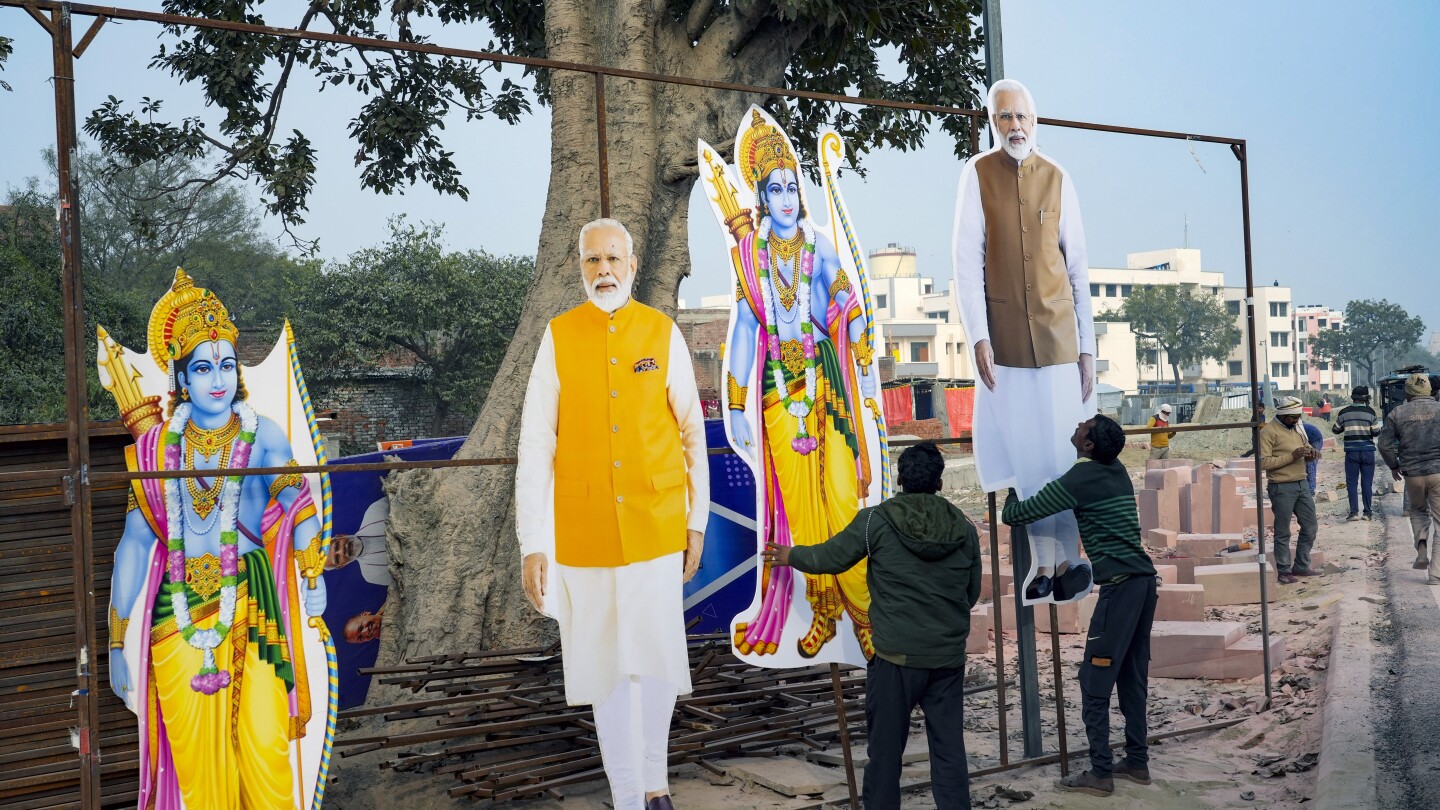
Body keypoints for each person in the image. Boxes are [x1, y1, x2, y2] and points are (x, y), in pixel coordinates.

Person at [103, 269, 330, 808]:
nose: (217, 379)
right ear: (180, 376)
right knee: (199, 781)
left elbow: (300, 506)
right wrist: (115, 639)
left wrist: (311, 568)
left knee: (266, 753)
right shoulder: (155, 451)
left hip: (254, 609)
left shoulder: (264, 434)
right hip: (175, 624)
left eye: (226, 364)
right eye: (203, 367)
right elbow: (135, 545)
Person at [515, 218, 710, 810]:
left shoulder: (661, 332)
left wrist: (695, 521)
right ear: (580, 268)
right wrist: (533, 542)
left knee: (655, 660)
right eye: (592, 261)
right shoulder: (558, 337)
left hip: (656, 527)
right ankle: (628, 796)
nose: (603, 270)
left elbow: (693, 434)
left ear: (630, 264)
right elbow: (534, 444)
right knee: (604, 669)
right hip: (583, 532)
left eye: (613, 259)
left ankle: (656, 784)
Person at [717, 108, 879, 659]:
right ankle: (824, 611)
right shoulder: (749, 259)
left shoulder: (819, 245)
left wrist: (856, 332)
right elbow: (744, 327)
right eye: (774, 189)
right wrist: (736, 401)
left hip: (826, 385)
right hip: (776, 393)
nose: (786, 197)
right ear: (761, 197)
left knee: (840, 502)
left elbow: (845, 296)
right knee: (802, 512)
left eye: (792, 187)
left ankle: (864, 614)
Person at [762, 442, 981, 810]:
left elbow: (830, 557)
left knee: (884, 753)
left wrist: (791, 556)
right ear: (940, 482)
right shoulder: (963, 525)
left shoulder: (876, 521)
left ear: (900, 479)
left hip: (895, 658)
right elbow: (971, 592)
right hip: (946, 658)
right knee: (948, 750)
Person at [951, 78, 1097, 605]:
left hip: (1059, 339)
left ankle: (1065, 561)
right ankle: (1049, 561)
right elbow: (967, 265)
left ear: (1035, 120)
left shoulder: (1058, 178)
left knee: (1062, 453)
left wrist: (1088, 351)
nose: (1015, 126)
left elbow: (1078, 271)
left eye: (1022, 117)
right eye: (1005, 117)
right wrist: (978, 338)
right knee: (1028, 455)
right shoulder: (978, 175)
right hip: (1006, 342)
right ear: (994, 122)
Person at [1002, 414, 1157, 797]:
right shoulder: (1116, 468)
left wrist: (1011, 484)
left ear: (1088, 446)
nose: (1076, 425)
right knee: (1132, 676)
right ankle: (1137, 761)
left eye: (1082, 427)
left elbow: (1015, 515)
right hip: (1143, 583)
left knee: (1094, 680)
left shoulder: (1079, 479)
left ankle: (1100, 773)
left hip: (1119, 590)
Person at [1379, 374, 1440, 583]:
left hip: (1412, 474)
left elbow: (1384, 444)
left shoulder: (1397, 412)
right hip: (1438, 472)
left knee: (1418, 512)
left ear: (1408, 392)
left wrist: (1394, 465)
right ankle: (1435, 573)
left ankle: (1421, 546)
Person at [1260, 396, 1321, 584]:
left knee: (1310, 526)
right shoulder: (1268, 432)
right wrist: (1291, 456)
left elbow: (1306, 450)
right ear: (1283, 414)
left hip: (1301, 483)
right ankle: (1284, 570)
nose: (1296, 420)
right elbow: (1263, 462)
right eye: (1292, 417)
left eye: (1297, 416)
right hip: (1281, 486)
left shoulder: (1298, 428)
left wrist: (1311, 455)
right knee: (1282, 531)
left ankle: (1301, 566)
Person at [1332, 386, 1380, 521]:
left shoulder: (1344, 412)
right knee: (1367, 483)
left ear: (1352, 397)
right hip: (1368, 452)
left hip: (1351, 452)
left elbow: (1336, 430)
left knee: (1352, 482)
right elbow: (1376, 432)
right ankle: (1367, 513)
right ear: (1366, 398)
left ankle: (1353, 513)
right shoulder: (1371, 412)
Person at [1303, 419, 1326, 494]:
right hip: (1312, 439)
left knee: (1311, 464)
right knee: (1308, 464)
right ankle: (1308, 487)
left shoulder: (1296, 429)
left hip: (1315, 440)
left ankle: (1311, 490)